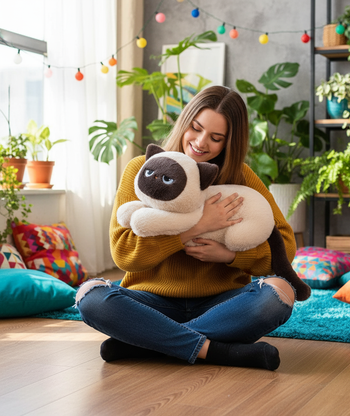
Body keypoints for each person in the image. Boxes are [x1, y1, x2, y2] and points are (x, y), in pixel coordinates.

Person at [76, 85, 297, 371]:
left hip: (220, 305)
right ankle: (216, 351)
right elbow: (123, 254)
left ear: (229, 143)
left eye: (216, 138)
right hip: (149, 301)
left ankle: (147, 342)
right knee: (90, 296)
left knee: (280, 292)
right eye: (196, 128)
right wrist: (194, 228)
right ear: (185, 122)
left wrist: (230, 256)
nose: (201, 143)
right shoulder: (143, 170)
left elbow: (286, 246)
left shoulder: (240, 177)